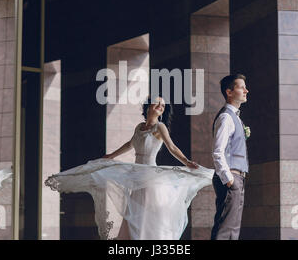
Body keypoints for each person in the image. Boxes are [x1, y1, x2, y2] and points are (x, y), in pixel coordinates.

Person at [45, 95, 214, 240]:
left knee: (148, 212)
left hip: (150, 176)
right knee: (135, 211)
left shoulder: (160, 127)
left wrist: (186, 162)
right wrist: (111, 156)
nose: (160, 107)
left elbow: (172, 147)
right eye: (157, 103)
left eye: (163, 105)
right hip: (137, 174)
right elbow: (129, 144)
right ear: (148, 105)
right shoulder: (139, 127)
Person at [211, 74, 250, 240]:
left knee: (232, 231)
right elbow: (217, 151)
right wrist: (229, 180)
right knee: (225, 230)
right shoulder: (226, 117)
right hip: (231, 178)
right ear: (229, 92)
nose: (246, 90)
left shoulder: (236, 117)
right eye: (241, 87)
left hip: (238, 178)